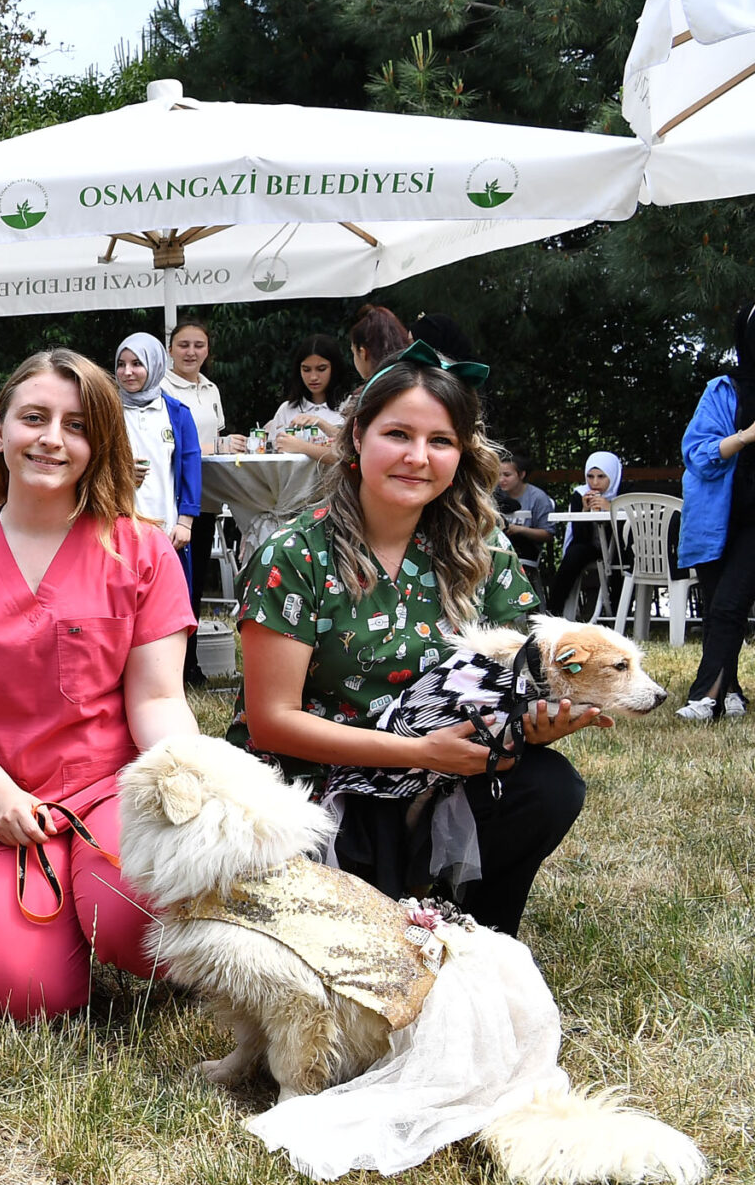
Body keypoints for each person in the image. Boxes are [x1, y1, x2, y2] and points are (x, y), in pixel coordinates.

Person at [235, 352, 596, 937]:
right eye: (398, 434)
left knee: (547, 786)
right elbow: (270, 722)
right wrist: (421, 752)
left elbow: (525, 675)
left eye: (440, 441)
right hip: (317, 793)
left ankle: (477, 935)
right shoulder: (295, 555)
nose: (417, 457)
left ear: (461, 454)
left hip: (437, 782)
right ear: (358, 435)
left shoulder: (482, 551)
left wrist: (539, 720)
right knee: (351, 952)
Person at [0, 349, 197, 1021]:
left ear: (99, 445)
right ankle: (47, 922)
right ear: (0, 429)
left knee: (139, 931)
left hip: (113, 789)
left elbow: (157, 698)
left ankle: (102, 903)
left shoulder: (143, 551)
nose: (51, 439)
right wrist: (1, 794)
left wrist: (187, 788)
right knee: (30, 995)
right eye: (34, 417)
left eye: (76, 425)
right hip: (1, 798)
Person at [677, 304, 755, 720]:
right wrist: (745, 437)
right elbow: (698, 455)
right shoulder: (723, 390)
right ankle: (731, 693)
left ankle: (704, 697)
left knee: (728, 606)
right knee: (719, 609)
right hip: (716, 519)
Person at [112, 331, 202, 610]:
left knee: (167, 606)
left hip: (166, 528)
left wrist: (186, 521)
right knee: (122, 604)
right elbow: (90, 459)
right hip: (117, 528)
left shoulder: (177, 412)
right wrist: (119, 473)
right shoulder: (107, 411)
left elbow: (191, 465)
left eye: (137, 363)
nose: (127, 372)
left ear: (155, 365)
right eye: (121, 364)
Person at [162, 318, 227, 634]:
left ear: (208, 351)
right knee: (172, 581)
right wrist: (213, 445)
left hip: (206, 497)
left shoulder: (211, 389)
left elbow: (213, 440)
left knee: (197, 580)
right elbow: (166, 444)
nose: (190, 352)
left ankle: (192, 661)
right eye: (183, 345)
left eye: (198, 345)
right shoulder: (160, 388)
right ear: (169, 349)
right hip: (172, 497)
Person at [244, 335, 348, 461]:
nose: (313, 377)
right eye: (306, 370)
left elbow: (349, 453)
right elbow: (270, 457)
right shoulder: (287, 409)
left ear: (334, 368)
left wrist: (303, 444)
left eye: (321, 369)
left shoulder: (349, 405)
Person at [555, 451, 623, 620]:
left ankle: (617, 615)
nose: (595, 482)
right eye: (590, 476)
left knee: (620, 562)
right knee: (574, 554)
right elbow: (579, 537)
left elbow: (628, 533)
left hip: (618, 547)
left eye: (601, 477)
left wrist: (610, 508)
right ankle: (553, 612)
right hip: (591, 546)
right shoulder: (580, 494)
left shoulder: (623, 493)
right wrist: (584, 511)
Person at [494, 447, 557, 596]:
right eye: (498, 475)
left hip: (526, 549)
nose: (501, 480)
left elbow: (548, 534)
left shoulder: (538, 498)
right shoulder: (495, 495)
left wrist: (519, 529)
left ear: (521, 474)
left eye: (507, 475)